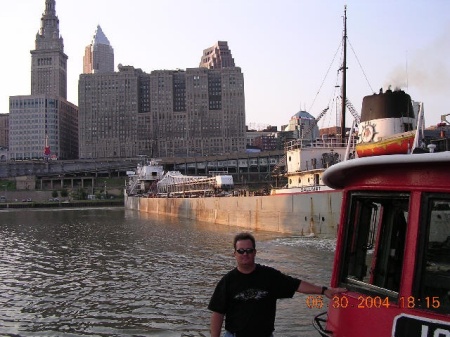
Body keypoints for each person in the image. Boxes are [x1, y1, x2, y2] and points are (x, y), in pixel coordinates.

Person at [208, 232, 347, 337]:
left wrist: (324, 291)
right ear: (235, 254)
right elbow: (218, 313)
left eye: (249, 250)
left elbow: (297, 285)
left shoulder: (269, 276)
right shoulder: (227, 281)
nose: (245, 254)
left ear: (255, 252)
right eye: (241, 251)